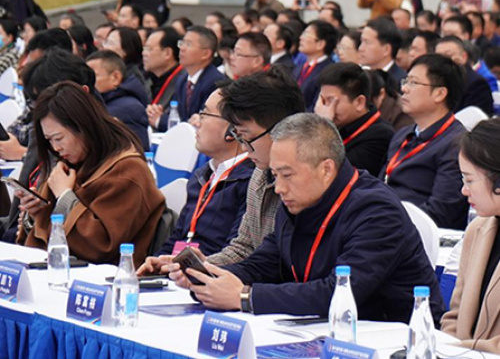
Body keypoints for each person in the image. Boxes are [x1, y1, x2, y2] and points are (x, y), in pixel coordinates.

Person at [166, 114, 444, 322]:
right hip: (318, 330)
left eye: (287, 175)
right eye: (274, 176)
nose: (279, 188)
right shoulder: (299, 200)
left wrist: (244, 297)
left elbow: (338, 292)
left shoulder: (377, 210)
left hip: (392, 339)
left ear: (325, 169)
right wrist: (212, 278)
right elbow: (267, 262)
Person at [139, 67, 306, 275]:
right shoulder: (258, 176)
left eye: (246, 136)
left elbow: (278, 269)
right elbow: (243, 248)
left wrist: (242, 294)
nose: (244, 147)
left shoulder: (303, 186)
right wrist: (182, 267)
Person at [16, 81, 164, 266]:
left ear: (83, 126)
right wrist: (35, 214)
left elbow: (99, 246)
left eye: (59, 138)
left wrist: (65, 196)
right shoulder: (70, 165)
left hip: (106, 280)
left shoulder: (128, 171)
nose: (55, 147)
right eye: (49, 140)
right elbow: (40, 238)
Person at [138, 89, 253, 272]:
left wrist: (185, 268)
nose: (197, 123)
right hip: (182, 275)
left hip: (211, 280)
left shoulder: (250, 182)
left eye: (205, 114)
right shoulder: (202, 176)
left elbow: (237, 252)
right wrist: (160, 262)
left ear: (232, 130)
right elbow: (178, 237)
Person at [0, 49, 99, 241]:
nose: (40, 110)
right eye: (36, 103)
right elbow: (18, 224)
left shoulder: (100, 148)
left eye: (49, 99)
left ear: (81, 93)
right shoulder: (43, 136)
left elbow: (99, 241)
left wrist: (63, 196)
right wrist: (31, 215)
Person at [380, 54, 468, 229]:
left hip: (414, 232)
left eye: (414, 82)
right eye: (406, 81)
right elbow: (379, 182)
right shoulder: (403, 134)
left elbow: (441, 212)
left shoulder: (456, 144)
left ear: (439, 93)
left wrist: (385, 221)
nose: (404, 89)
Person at [441, 119, 500, 353]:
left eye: (469, 180)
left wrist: (461, 349)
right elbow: (453, 318)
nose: (464, 190)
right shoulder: (477, 230)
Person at [315, 63, 394, 176]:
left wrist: (324, 126)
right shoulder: (340, 124)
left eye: (332, 101)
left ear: (359, 102)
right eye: (323, 101)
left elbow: (332, 174)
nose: (326, 108)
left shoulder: (380, 136)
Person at [155, 26, 224, 131]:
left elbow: (199, 124)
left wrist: (159, 120)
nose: (182, 48)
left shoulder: (216, 83)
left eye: (188, 44)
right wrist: (157, 115)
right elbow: (176, 116)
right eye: (182, 43)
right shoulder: (182, 80)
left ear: (206, 53)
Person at [86, 50, 150, 151]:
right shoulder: (104, 102)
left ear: (115, 77)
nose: (88, 82)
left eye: (93, 76)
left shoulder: (129, 108)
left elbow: (138, 151)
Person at [435, 36, 494, 115]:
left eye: (448, 56)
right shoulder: (434, 80)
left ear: (463, 57)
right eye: (439, 57)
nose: (443, 61)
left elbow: (473, 120)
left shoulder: (476, 84)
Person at [143, 27, 184, 129]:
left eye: (149, 49)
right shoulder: (149, 80)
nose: (144, 53)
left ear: (167, 53)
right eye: (144, 49)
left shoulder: (183, 81)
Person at [294, 20, 337, 111]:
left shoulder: (329, 71)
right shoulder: (299, 67)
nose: (301, 37)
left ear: (320, 44)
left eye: (306, 35)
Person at [359, 17, 405, 85]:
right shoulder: (360, 77)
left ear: (386, 49)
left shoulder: (400, 82)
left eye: (367, 42)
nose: (360, 48)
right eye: (361, 42)